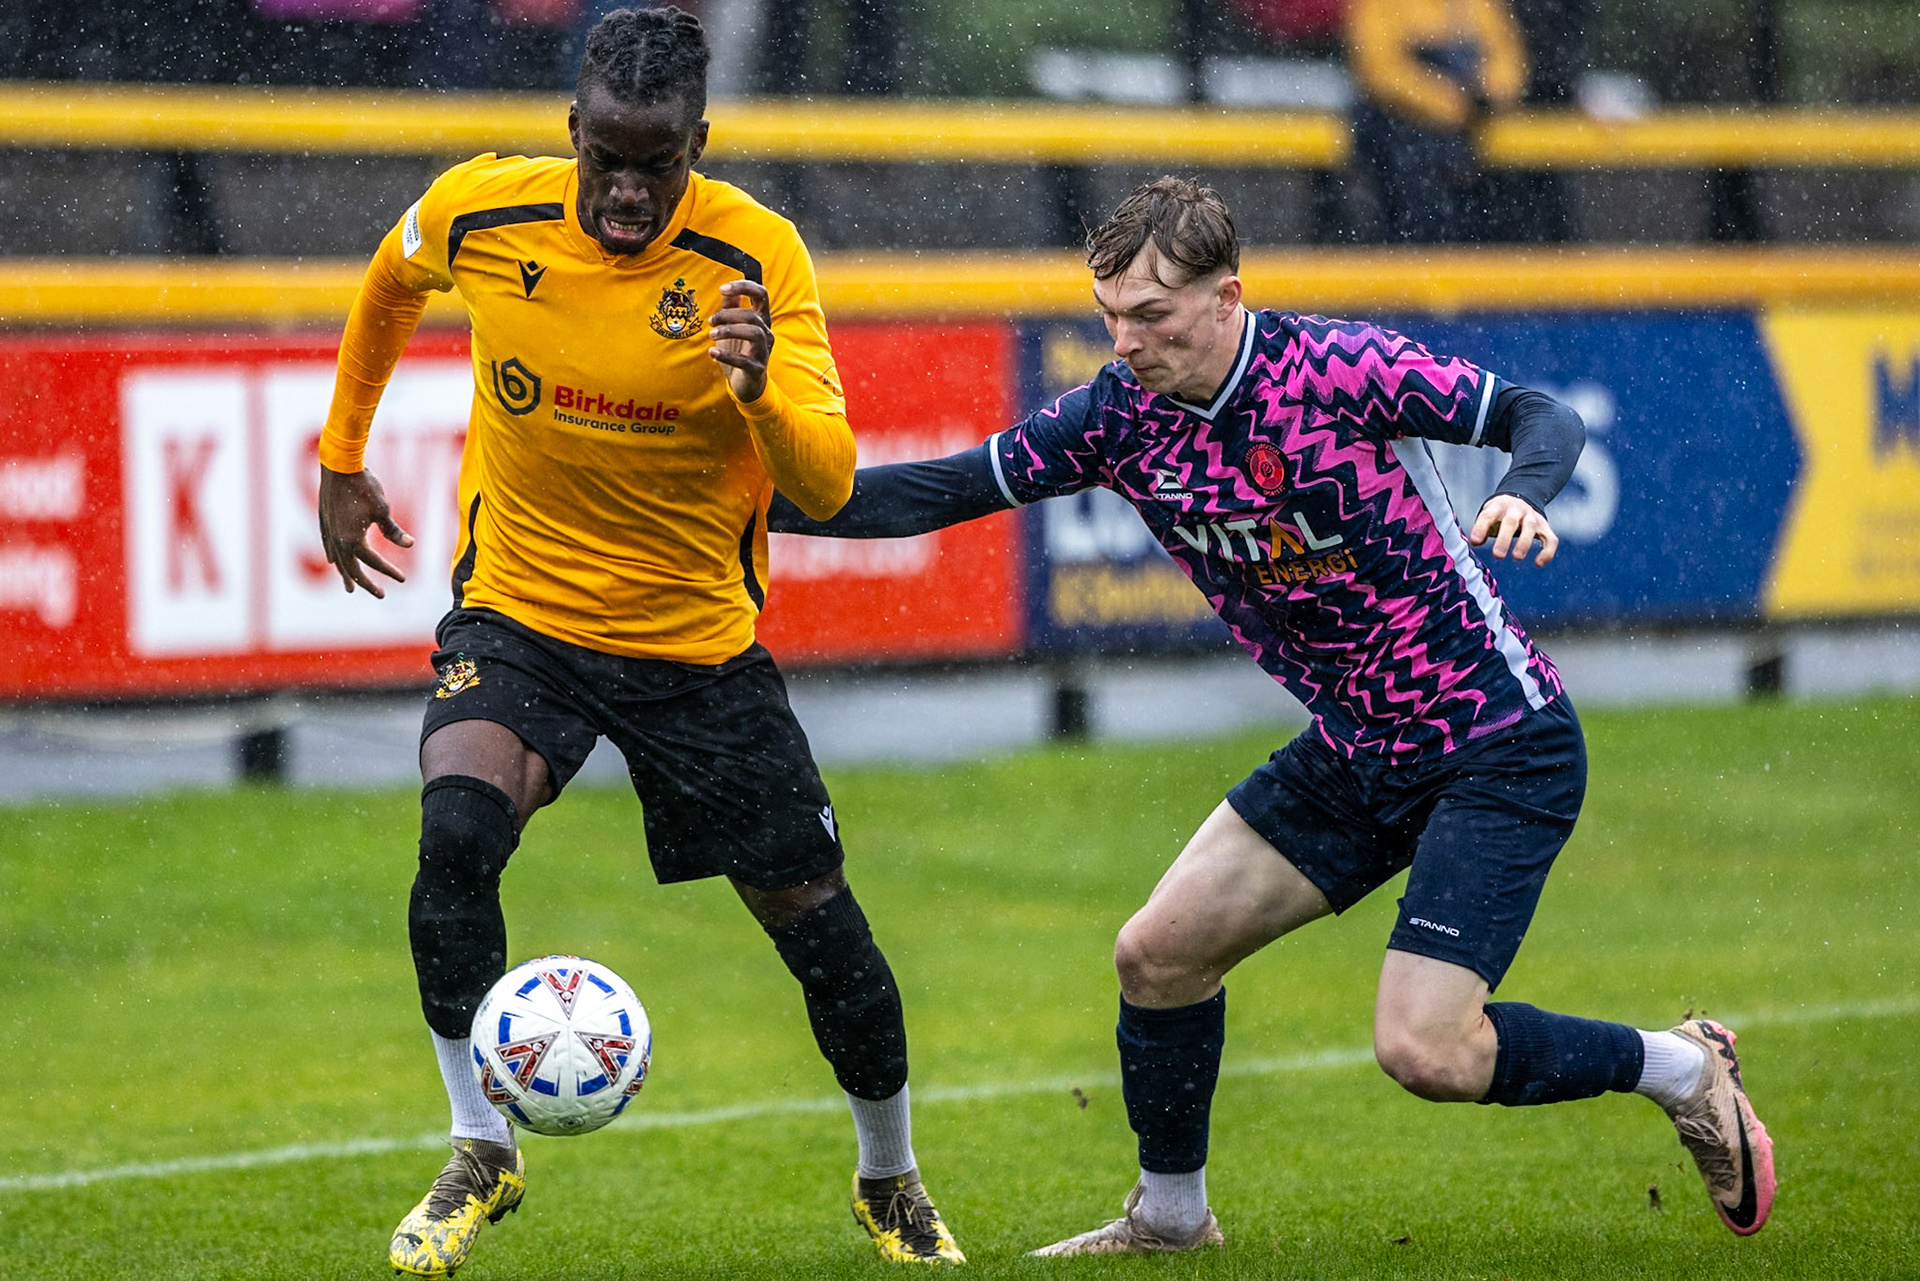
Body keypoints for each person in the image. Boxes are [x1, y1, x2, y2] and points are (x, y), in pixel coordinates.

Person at [768, 177, 1775, 1255]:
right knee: (1157, 956)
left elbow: (1541, 413)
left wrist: (1526, 486)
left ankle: (1682, 1067)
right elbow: (941, 490)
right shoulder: (1119, 415)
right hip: (1355, 753)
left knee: (1427, 1052)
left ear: (1226, 297)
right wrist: (739, 499)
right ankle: (1169, 1217)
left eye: (1151, 317)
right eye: (1109, 317)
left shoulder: (1337, 370)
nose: (1127, 342)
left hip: (1494, 742)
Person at [315, 7, 963, 1274]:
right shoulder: (482, 212)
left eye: (654, 161)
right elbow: (392, 277)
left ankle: (889, 1176)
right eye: (603, 155)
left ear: (699, 143)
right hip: (525, 615)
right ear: (571, 132)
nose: (624, 187)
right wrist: (343, 456)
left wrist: (760, 384)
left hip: (696, 649)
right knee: (455, 834)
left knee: (821, 930)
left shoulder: (756, 257)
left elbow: (826, 489)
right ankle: (478, 1150)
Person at [1345, 0, 1528, 242]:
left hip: (1470, 134)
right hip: (1402, 130)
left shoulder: (1479, 6)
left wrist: (1491, 89)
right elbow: (1380, 71)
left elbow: (1507, 57)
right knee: (1417, 208)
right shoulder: (1380, 6)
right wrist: (1446, 101)